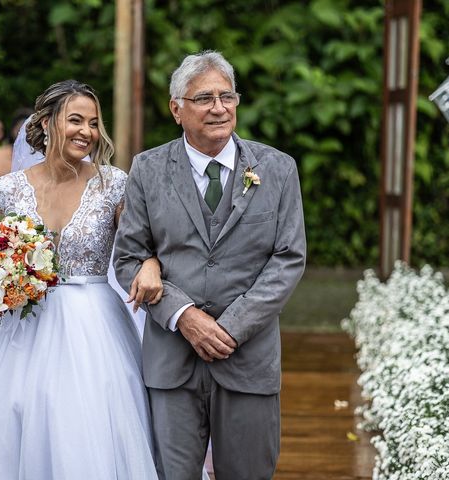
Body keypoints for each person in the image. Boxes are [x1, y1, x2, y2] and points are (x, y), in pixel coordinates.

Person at [0, 80, 164, 479]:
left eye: (94, 123)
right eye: (75, 120)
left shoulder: (113, 185)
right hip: (22, 331)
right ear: (46, 123)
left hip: (95, 328)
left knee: (87, 424)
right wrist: (4, 280)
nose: (87, 132)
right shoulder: (4, 191)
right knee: (13, 422)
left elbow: (140, 250)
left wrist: (152, 264)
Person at [114, 51, 307, 480]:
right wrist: (184, 317)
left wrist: (230, 326)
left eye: (227, 96)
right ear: (176, 109)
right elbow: (128, 258)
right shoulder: (147, 169)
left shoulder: (277, 169)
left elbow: (289, 258)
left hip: (248, 357)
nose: (219, 108)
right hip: (172, 363)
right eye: (204, 98)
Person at [0, 109, 33, 185]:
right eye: (20, 129)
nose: (24, 133)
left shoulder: (40, 158)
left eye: (28, 129)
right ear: (13, 130)